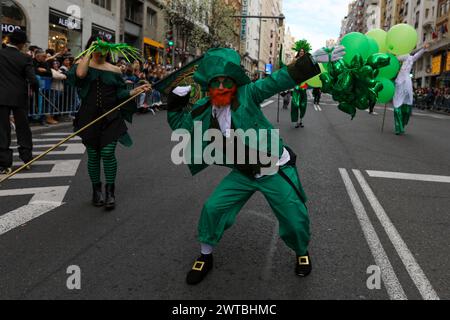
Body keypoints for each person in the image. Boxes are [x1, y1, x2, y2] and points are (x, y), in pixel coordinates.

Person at [167, 47, 345, 285]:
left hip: (273, 167)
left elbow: (275, 81)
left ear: (233, 84)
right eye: (216, 82)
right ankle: (205, 255)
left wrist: (309, 61)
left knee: (294, 218)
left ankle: (301, 252)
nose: (221, 86)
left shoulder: (248, 94)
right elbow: (180, 125)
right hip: (243, 172)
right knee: (213, 208)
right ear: (209, 86)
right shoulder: (203, 108)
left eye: (226, 81)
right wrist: (175, 102)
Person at [67, 36, 150, 210]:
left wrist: (135, 91)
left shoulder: (114, 70)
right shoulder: (83, 65)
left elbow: (119, 94)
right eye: (97, 47)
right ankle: (96, 191)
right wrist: (88, 53)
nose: (101, 51)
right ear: (90, 48)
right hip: (89, 117)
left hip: (111, 116)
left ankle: (110, 192)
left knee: (107, 152)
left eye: (104, 48)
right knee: (93, 154)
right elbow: (80, 75)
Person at [0, 30, 37, 174]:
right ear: (22, 43)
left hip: (1, 96)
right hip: (19, 97)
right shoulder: (25, 58)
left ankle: (4, 163)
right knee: (23, 128)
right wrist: (35, 89)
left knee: (2, 130)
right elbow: (33, 79)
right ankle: (26, 158)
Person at [393, 43, 430, 135]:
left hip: (406, 82)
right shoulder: (400, 57)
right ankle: (398, 127)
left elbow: (416, 56)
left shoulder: (409, 58)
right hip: (399, 82)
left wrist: (423, 48)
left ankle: (402, 124)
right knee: (397, 104)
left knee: (407, 104)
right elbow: (396, 59)